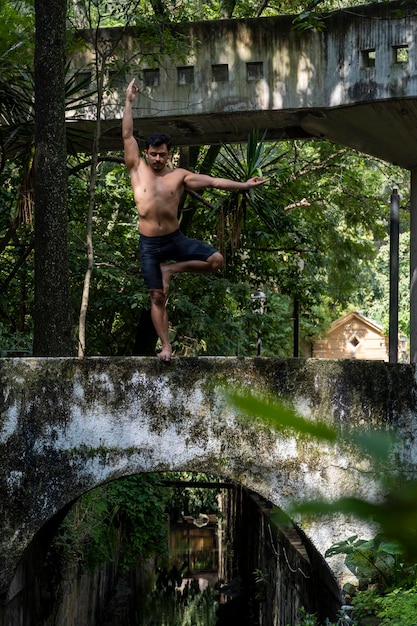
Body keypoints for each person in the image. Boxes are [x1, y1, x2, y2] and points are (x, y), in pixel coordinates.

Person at [123, 77, 267, 362]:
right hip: (149, 245)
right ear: (147, 154)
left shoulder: (180, 176)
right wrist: (128, 102)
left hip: (175, 241)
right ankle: (165, 346)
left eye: (162, 155)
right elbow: (127, 136)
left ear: (169, 155)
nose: (157, 160)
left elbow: (213, 181)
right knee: (157, 297)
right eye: (153, 154)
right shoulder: (136, 169)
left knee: (216, 260)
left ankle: (171, 271)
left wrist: (244, 185)